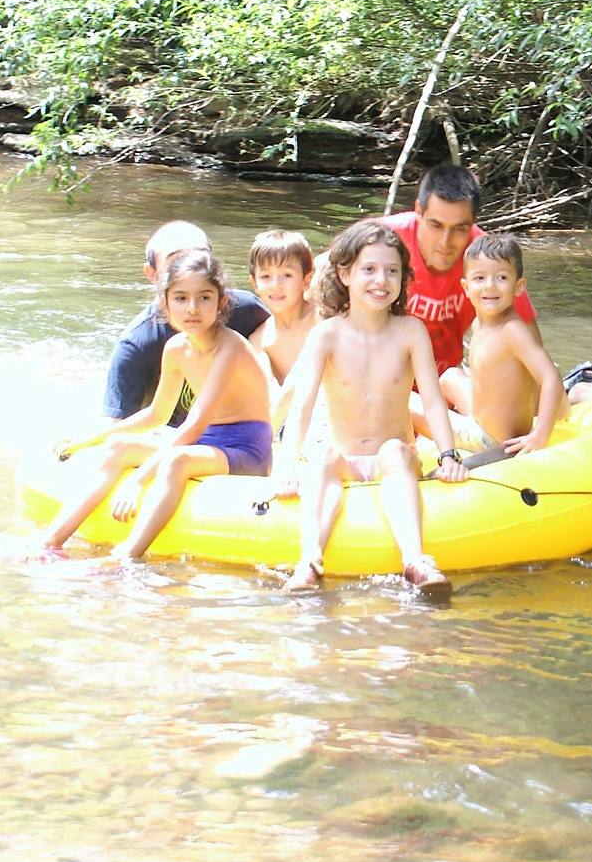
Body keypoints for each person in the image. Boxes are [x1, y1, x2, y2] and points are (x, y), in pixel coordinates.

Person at [277, 219, 471, 598]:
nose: (381, 280)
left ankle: (415, 559)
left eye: (392, 271)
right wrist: (286, 466)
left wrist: (449, 454)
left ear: (403, 278)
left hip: (394, 459)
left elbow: (432, 399)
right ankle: (310, 560)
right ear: (345, 274)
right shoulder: (326, 334)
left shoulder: (409, 331)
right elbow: (301, 407)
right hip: (344, 459)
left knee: (394, 450)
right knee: (324, 455)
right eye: (369, 269)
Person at [40, 249, 274, 558]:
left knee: (177, 461)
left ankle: (126, 557)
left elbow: (196, 422)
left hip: (245, 449)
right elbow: (157, 414)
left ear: (222, 302)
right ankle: (51, 543)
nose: (193, 308)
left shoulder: (231, 347)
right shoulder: (176, 348)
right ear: (164, 303)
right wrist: (88, 440)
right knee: (118, 448)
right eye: (181, 298)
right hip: (206, 442)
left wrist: (138, 480)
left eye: (205, 297)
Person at [376, 165, 536, 390]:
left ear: (473, 221)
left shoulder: (488, 262)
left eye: (460, 229)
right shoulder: (380, 240)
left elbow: (530, 341)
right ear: (418, 212)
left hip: (444, 381)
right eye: (436, 225)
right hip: (380, 380)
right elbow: (322, 280)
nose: (445, 242)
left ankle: (579, 388)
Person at [103, 221, 268, 420]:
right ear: (152, 274)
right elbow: (116, 422)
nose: (189, 268)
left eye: (199, 257)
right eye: (176, 260)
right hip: (173, 434)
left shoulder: (247, 311)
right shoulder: (138, 344)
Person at [455, 233, 570, 457]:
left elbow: (551, 378)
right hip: (481, 420)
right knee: (448, 376)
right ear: (466, 287)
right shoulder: (479, 323)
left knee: (411, 404)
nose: (490, 287)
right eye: (479, 278)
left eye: (501, 278)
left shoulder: (512, 330)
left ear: (518, 287)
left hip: (493, 441)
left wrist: (540, 435)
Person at [245, 228, 319, 427]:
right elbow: (267, 398)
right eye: (266, 276)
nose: (276, 285)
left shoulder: (323, 320)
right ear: (254, 283)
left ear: (306, 279)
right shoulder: (260, 340)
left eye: (287, 275)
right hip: (296, 421)